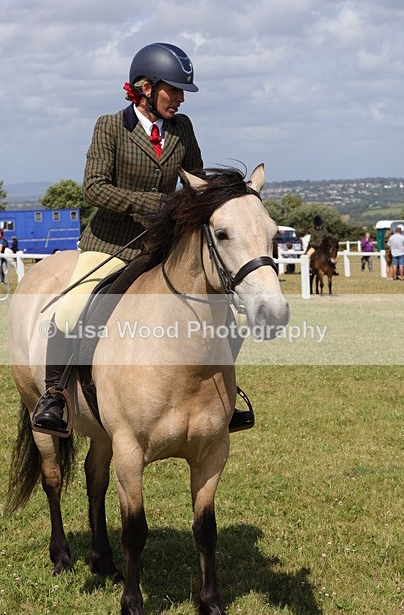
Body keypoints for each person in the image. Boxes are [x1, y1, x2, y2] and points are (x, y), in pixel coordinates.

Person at [32, 43, 258, 436]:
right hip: (110, 244)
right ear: (146, 88)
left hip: (163, 247)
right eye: (175, 88)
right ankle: (55, 396)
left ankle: (226, 393)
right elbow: (94, 188)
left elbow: (195, 179)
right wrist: (149, 203)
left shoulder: (182, 128)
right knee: (69, 313)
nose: (182, 98)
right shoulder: (109, 126)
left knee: (228, 314)